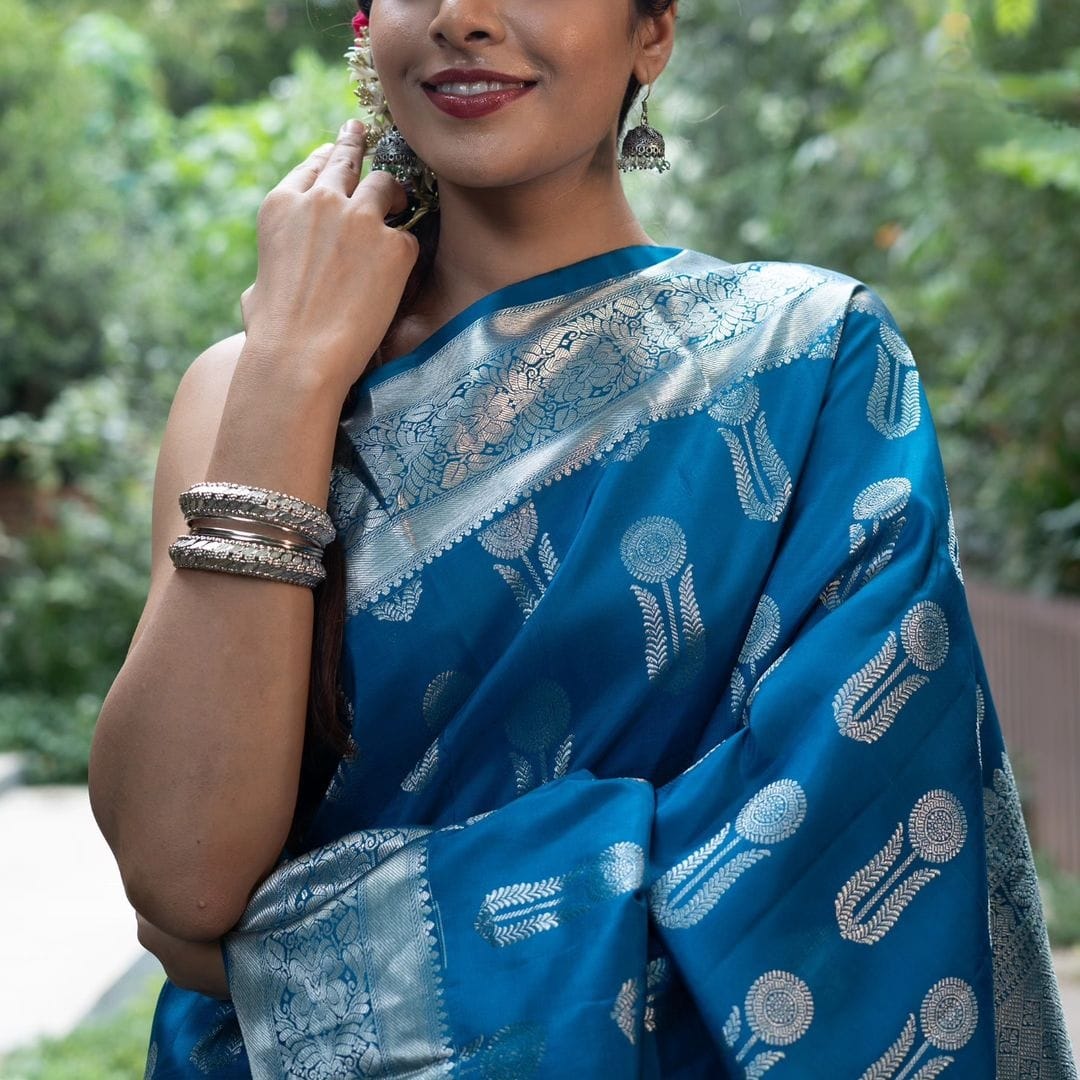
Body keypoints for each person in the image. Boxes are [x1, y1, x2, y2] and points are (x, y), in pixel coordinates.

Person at [88, 1, 1079, 1077]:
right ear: (368, 27)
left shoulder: (808, 361)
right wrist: (290, 374)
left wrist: (317, 965)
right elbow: (181, 874)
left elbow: (838, 836)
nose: (463, 17)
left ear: (652, 31)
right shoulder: (249, 390)